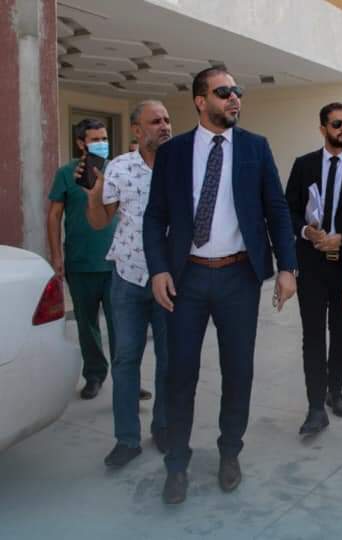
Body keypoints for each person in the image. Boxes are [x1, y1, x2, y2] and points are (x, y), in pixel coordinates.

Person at [143, 67, 298, 505]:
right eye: (224, 92)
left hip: (238, 277)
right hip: (186, 278)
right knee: (179, 374)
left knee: (238, 370)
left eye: (237, 92)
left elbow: (277, 209)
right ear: (200, 100)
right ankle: (177, 464)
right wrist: (158, 269)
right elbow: (155, 216)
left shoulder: (254, 147)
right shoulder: (173, 153)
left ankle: (230, 452)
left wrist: (288, 267)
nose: (234, 99)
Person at [82, 100, 172, 468]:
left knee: (169, 360)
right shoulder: (119, 167)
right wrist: (94, 194)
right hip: (128, 279)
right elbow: (99, 222)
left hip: (169, 280)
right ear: (137, 130)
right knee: (125, 360)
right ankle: (127, 439)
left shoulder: (181, 165)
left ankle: (163, 428)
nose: (164, 126)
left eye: (167, 120)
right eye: (156, 121)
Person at [285, 102, 342, 437]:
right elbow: (288, 209)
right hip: (310, 266)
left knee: (341, 333)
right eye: (337, 124)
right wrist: (306, 231)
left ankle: (335, 391)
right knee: (312, 336)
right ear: (323, 128)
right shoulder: (304, 165)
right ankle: (314, 406)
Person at [47, 118, 117, 400]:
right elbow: (54, 215)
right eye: (95, 139)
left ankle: (128, 379)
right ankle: (94, 375)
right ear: (81, 143)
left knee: (122, 326)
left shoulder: (117, 169)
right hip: (80, 262)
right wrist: (56, 255)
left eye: (104, 138)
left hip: (116, 264)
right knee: (87, 326)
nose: (101, 143)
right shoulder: (66, 174)